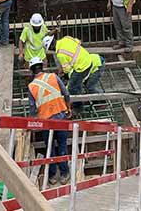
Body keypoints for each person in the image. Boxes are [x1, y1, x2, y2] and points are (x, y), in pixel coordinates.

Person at [26, 57, 71, 185]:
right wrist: (68, 108)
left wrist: (31, 123)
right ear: (42, 66)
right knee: (62, 145)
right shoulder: (53, 76)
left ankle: (52, 175)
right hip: (61, 117)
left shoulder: (31, 86)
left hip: (45, 122)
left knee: (50, 147)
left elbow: (32, 109)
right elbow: (66, 94)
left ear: (31, 70)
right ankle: (64, 173)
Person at [44, 35, 104, 112]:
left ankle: (78, 107)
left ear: (51, 46)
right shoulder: (66, 38)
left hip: (82, 66)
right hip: (87, 58)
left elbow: (66, 69)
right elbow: (79, 42)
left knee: (72, 87)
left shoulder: (60, 54)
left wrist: (64, 76)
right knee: (78, 82)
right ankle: (83, 98)